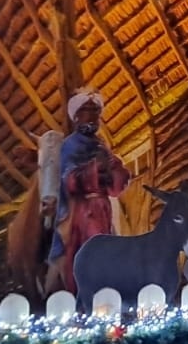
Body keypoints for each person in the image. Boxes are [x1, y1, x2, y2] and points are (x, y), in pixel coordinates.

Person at [46, 89, 131, 293]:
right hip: (82, 211)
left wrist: (116, 172)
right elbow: (68, 180)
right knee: (88, 250)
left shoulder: (101, 145)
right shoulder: (69, 145)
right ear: (76, 117)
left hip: (103, 209)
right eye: (86, 111)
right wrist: (94, 169)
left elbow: (116, 180)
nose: (92, 117)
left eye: (95, 112)